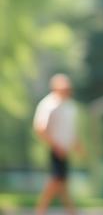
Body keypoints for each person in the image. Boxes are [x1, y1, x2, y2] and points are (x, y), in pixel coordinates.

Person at [33, 74, 81, 215]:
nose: (67, 91)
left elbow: (70, 130)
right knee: (55, 182)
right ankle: (40, 212)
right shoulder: (49, 105)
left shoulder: (69, 106)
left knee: (63, 184)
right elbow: (40, 128)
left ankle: (71, 212)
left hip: (64, 150)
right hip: (56, 150)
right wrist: (55, 145)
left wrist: (76, 144)